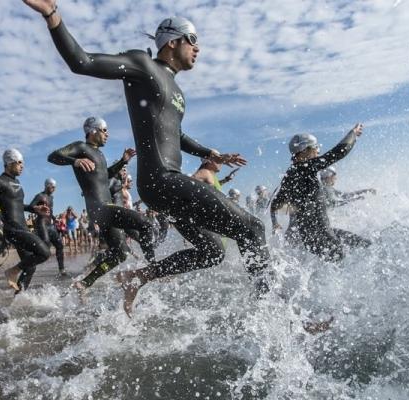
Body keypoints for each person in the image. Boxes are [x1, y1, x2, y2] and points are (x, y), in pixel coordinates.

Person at [23, 2, 269, 315]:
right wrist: (51, 14)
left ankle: (137, 277)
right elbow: (81, 61)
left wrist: (210, 153)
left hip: (166, 187)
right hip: (162, 180)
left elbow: (176, 136)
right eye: (193, 40)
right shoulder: (143, 65)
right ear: (173, 41)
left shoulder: (176, 91)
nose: (198, 49)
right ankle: (276, 315)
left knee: (212, 251)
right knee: (254, 229)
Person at [48, 116, 156, 291]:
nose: (107, 134)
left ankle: (85, 283)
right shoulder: (81, 147)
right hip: (100, 207)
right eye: (104, 130)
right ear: (93, 131)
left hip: (103, 209)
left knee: (121, 254)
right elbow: (53, 156)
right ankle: (153, 269)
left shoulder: (99, 153)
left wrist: (123, 161)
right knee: (145, 224)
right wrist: (74, 160)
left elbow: (105, 177)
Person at [270, 124, 370, 261]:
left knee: (362, 243)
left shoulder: (290, 175)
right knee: (343, 260)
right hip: (321, 236)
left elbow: (274, 203)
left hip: (312, 237)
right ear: (305, 150)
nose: (318, 151)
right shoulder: (306, 167)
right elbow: (340, 151)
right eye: (316, 148)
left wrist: (275, 223)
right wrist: (353, 133)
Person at [0, 149, 50, 293]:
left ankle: (18, 301)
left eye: (22, 163)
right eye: (19, 163)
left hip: (22, 228)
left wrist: (33, 208)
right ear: (9, 163)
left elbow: (17, 205)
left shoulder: (17, 182)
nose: (22, 166)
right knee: (44, 253)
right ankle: (12, 271)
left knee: (30, 266)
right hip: (13, 229)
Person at [28, 178, 67, 276]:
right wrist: (38, 208)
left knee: (60, 246)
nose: (54, 189)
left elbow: (50, 211)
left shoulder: (51, 198)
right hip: (41, 223)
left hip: (50, 225)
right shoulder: (40, 196)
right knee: (45, 247)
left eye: (55, 187)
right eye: (53, 187)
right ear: (47, 185)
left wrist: (54, 219)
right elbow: (30, 207)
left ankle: (61, 269)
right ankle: (27, 263)